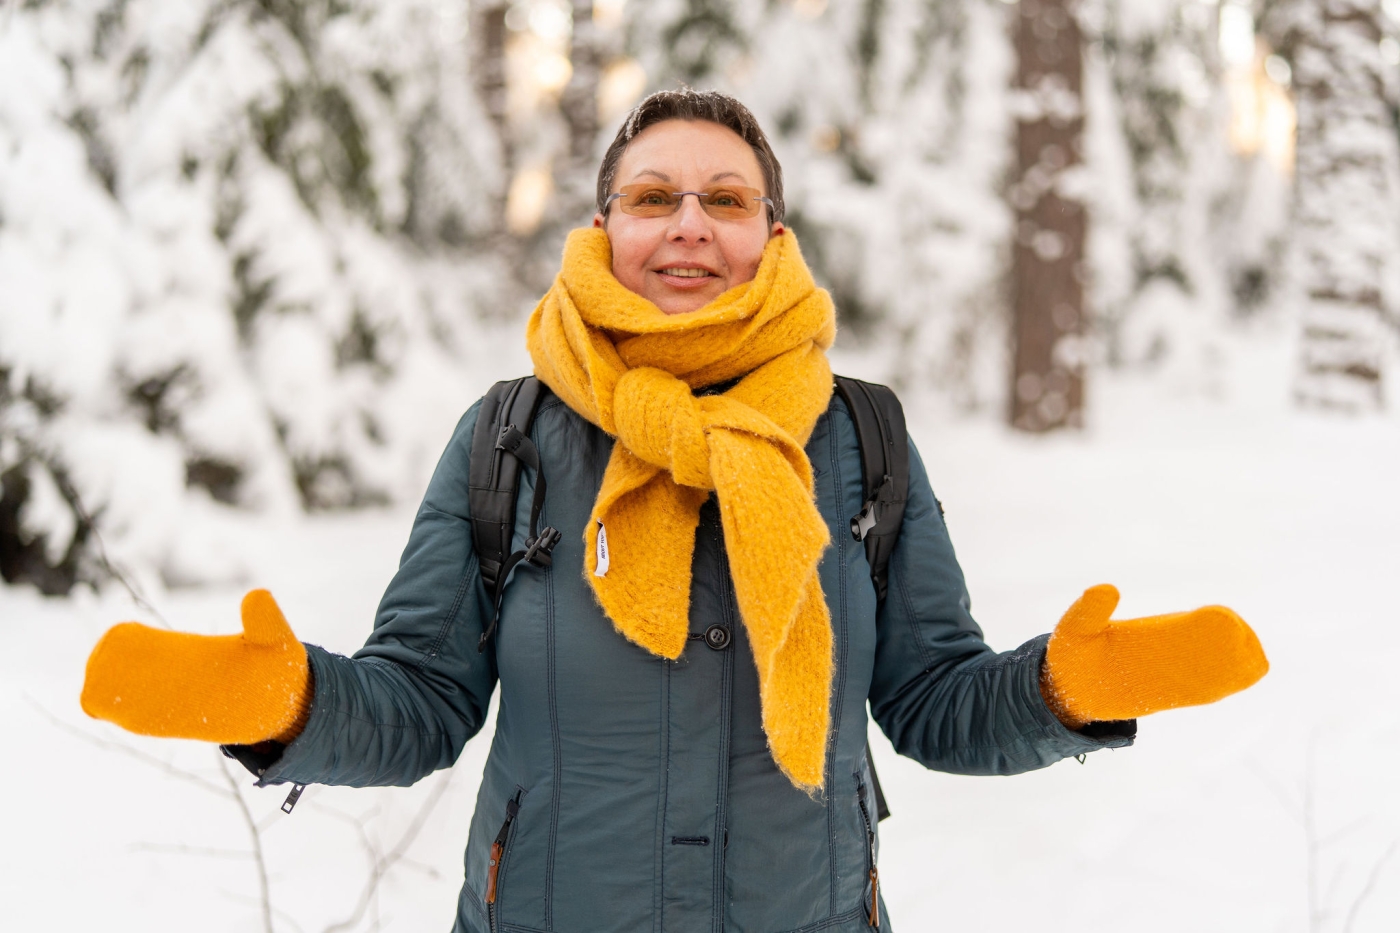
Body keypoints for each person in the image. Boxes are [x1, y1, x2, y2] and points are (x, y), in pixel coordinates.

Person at [79, 89, 1268, 933]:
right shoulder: (511, 434)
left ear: (770, 234)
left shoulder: (859, 437)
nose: (688, 222)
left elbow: (932, 700)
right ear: (603, 229)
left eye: (723, 198)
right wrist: (288, 706)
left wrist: (1065, 693)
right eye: (652, 196)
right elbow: (423, 698)